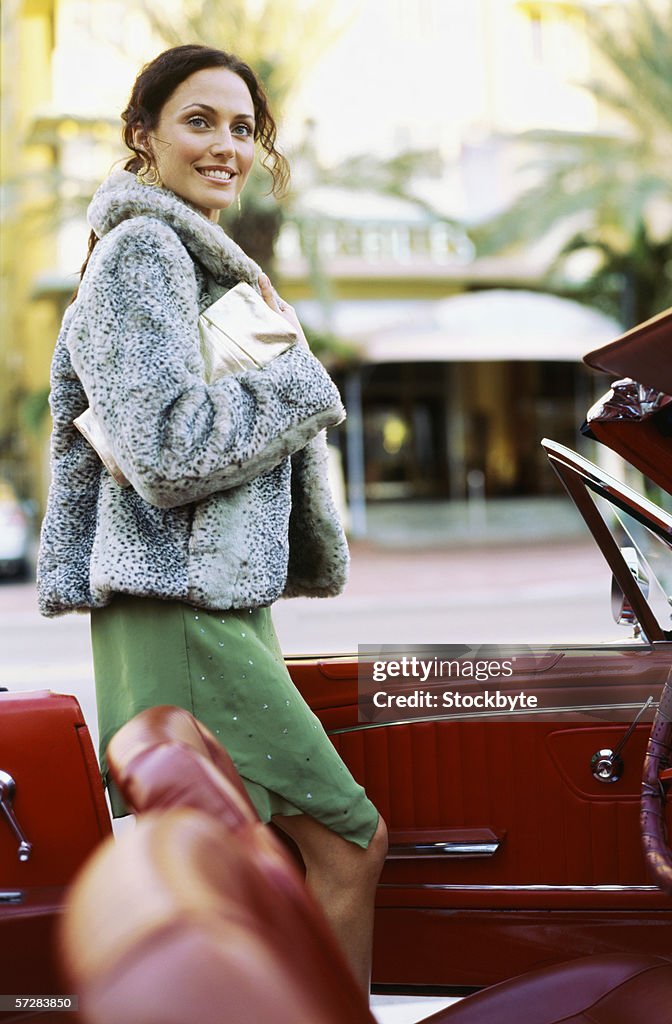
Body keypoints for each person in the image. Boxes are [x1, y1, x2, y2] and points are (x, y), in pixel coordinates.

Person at [37, 43, 387, 993]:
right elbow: (166, 452)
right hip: (182, 609)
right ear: (142, 136)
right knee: (350, 842)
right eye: (200, 121)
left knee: (236, 873)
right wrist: (299, 383)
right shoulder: (144, 253)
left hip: (200, 605)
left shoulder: (190, 263)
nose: (227, 146)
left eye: (243, 128)